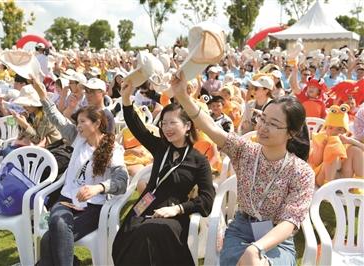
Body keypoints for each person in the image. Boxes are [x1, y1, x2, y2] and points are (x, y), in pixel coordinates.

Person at [173, 71, 315, 266]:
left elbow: (290, 222)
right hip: (241, 230)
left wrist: (257, 248)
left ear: (292, 133)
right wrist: (182, 95)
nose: (263, 127)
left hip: (277, 238)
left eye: (273, 124)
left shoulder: (301, 172)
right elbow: (210, 127)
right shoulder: (246, 151)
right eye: (262, 119)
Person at [112, 80, 215, 266]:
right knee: (126, 237)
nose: (166, 128)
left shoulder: (198, 160)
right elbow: (137, 127)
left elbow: (207, 199)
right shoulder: (160, 147)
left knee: (149, 232)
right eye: (164, 123)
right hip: (145, 204)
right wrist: (126, 98)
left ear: (187, 126)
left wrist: (178, 209)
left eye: (172, 123)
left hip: (173, 214)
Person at [31, 77, 128, 266]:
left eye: (83, 121)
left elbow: (122, 181)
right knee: (57, 223)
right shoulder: (78, 139)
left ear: (97, 124)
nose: (78, 125)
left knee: (49, 239)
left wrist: (98, 188)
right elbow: (56, 118)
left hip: (94, 207)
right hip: (67, 199)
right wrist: (42, 94)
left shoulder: (114, 150)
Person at [0, 85, 62, 157]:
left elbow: (37, 140)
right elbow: (22, 136)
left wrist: (25, 125)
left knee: (8, 153)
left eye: (26, 104)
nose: (24, 107)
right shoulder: (31, 113)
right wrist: (22, 123)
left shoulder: (45, 116)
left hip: (49, 150)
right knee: (5, 151)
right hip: (33, 146)